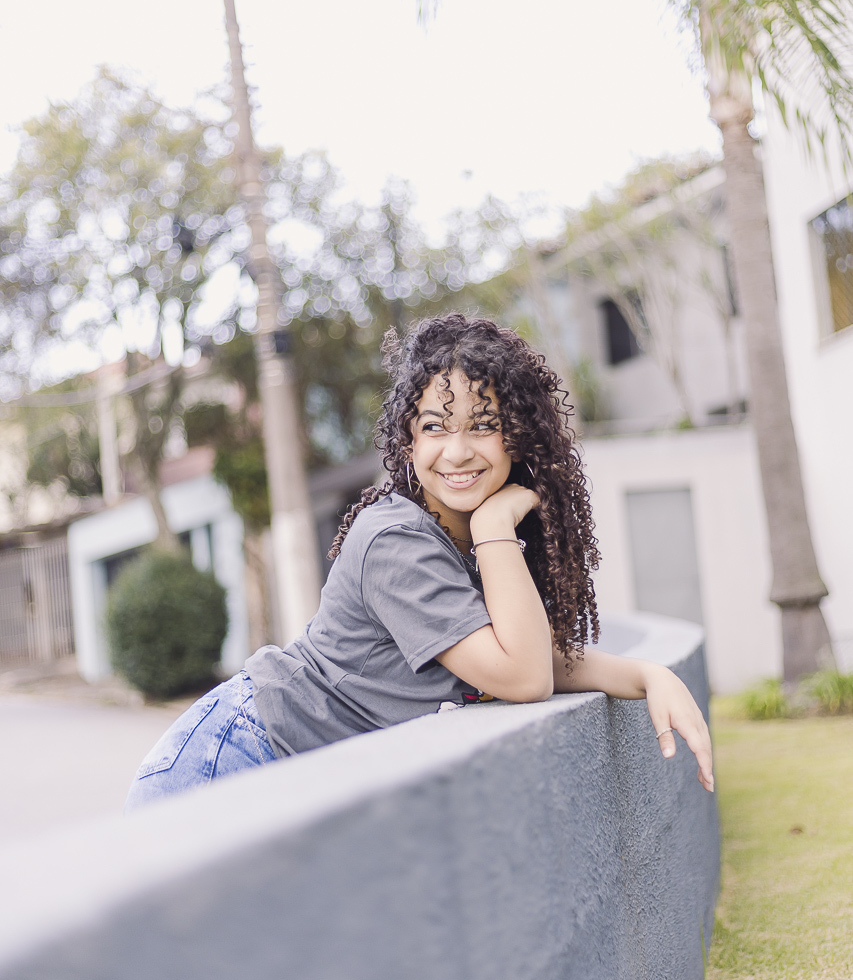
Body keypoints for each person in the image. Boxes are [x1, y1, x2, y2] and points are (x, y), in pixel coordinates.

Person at [124, 314, 713, 813]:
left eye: (483, 426)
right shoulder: (398, 541)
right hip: (231, 757)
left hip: (287, 771)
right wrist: (492, 525)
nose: (457, 451)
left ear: (519, 439)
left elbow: (528, 655)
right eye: (435, 427)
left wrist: (646, 676)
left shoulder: (468, 544)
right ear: (409, 440)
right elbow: (525, 677)